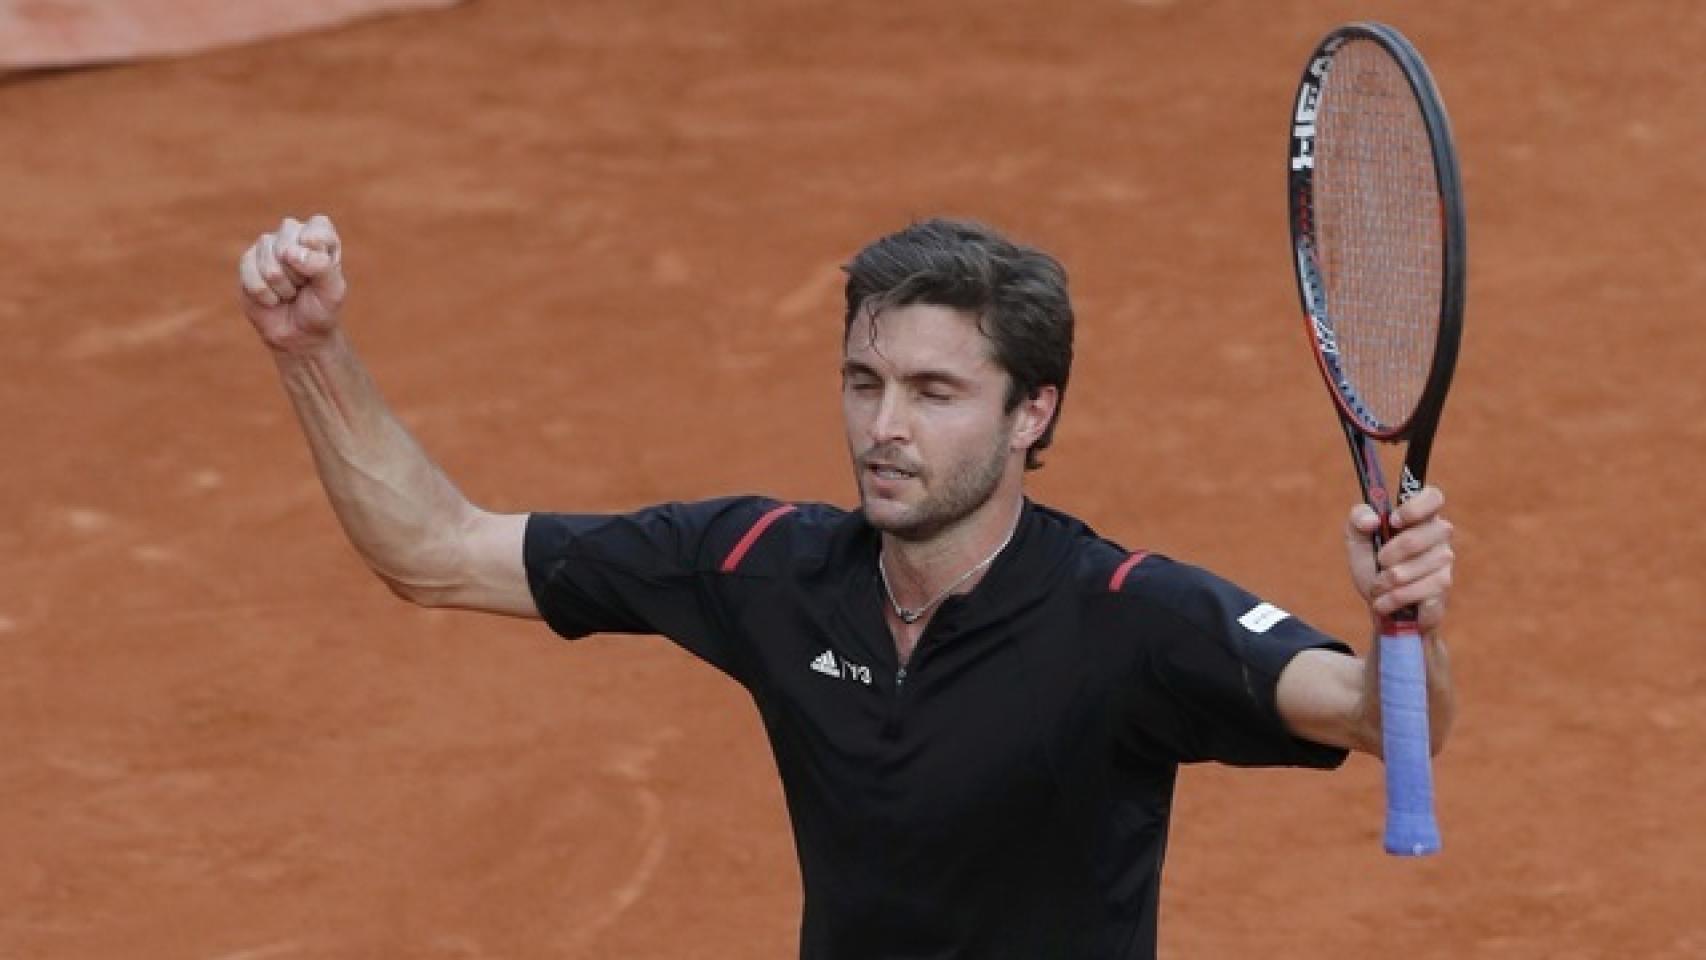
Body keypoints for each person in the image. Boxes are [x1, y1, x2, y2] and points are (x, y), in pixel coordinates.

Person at [236, 214, 1456, 959]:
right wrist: (312, 352)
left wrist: (1399, 626)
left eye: (933, 393)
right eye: (863, 381)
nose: (883, 426)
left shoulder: (1128, 616)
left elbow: (1377, 722)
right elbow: (435, 552)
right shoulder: (762, 568)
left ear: (1033, 413)